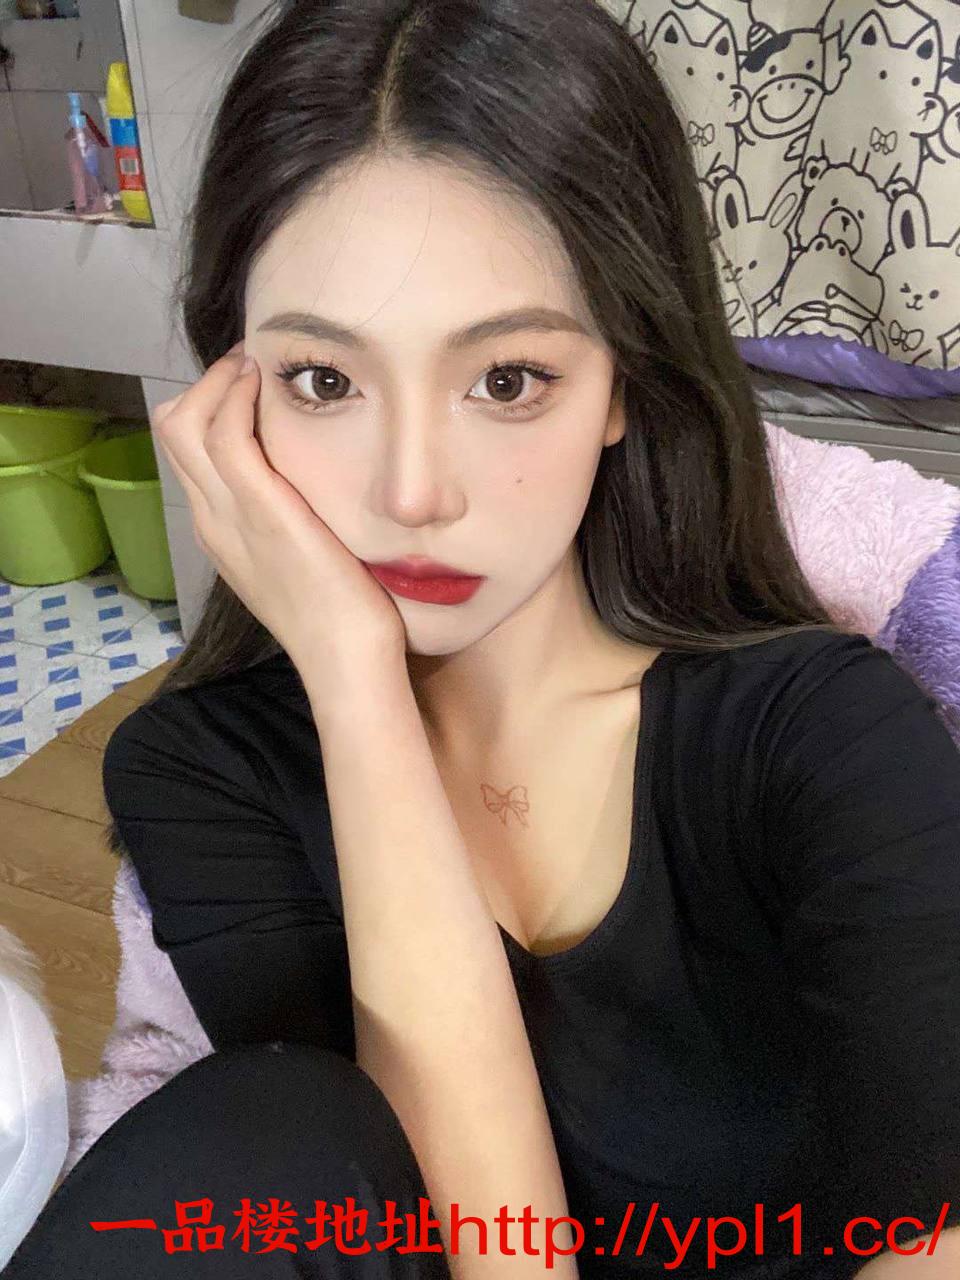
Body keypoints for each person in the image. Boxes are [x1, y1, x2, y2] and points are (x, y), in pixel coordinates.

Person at [5, 0, 960, 1276]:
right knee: (243, 1133)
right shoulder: (205, 769)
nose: (412, 492)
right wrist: (354, 681)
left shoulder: (822, 737)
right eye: (324, 380)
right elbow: (423, 1226)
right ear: (230, 394)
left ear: (624, 382)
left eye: (508, 379)